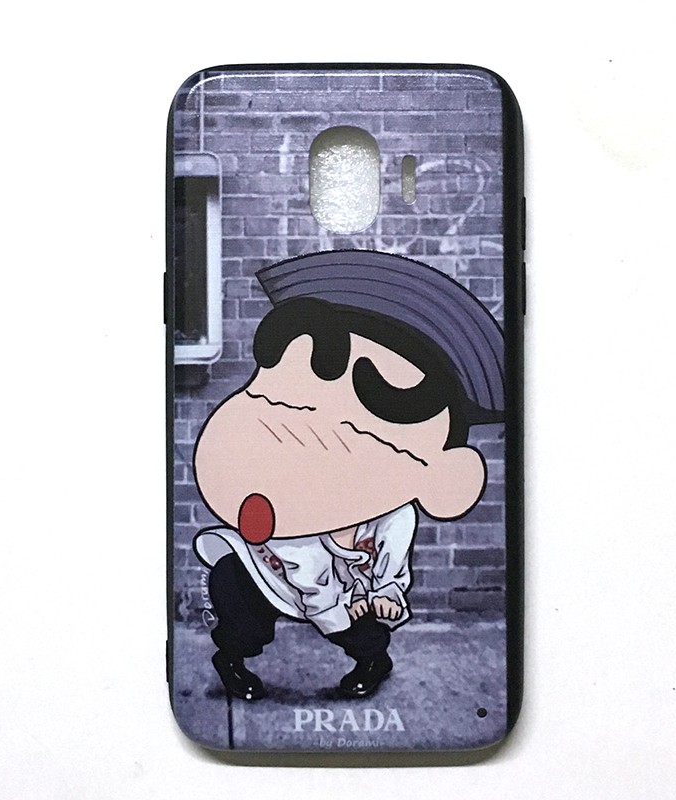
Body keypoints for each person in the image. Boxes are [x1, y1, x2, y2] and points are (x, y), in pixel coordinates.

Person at [192, 249, 505, 700]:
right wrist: (337, 612)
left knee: (364, 631)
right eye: (277, 402)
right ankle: (231, 661)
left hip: (339, 585)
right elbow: (309, 576)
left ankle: (374, 661)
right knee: (242, 611)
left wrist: (385, 595)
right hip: (263, 568)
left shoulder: (394, 513)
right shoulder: (290, 509)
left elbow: (391, 562)